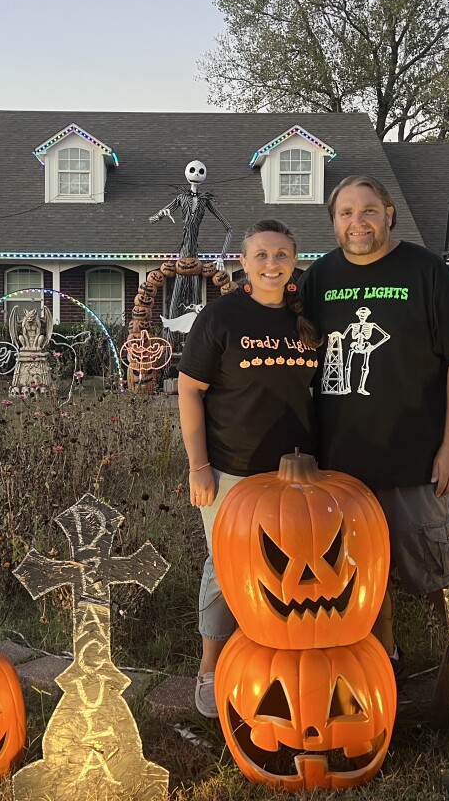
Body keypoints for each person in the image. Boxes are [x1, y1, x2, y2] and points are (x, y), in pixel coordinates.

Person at [298, 175, 449, 702]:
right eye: (346, 213)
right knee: (361, 579)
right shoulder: (319, 278)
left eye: (368, 211)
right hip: (341, 465)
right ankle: (384, 666)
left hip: (416, 458)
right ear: (334, 222)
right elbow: (295, 351)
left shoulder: (426, 272)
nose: (358, 223)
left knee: (438, 566)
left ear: (389, 213)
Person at [177, 219, 320, 718]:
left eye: (281, 255)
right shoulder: (221, 317)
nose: (271, 264)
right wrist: (199, 466)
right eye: (261, 255)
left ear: (293, 261)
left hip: (298, 472)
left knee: (289, 567)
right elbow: (190, 391)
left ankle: (272, 658)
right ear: (243, 262)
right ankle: (210, 667)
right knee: (226, 568)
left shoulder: (306, 319)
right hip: (232, 469)